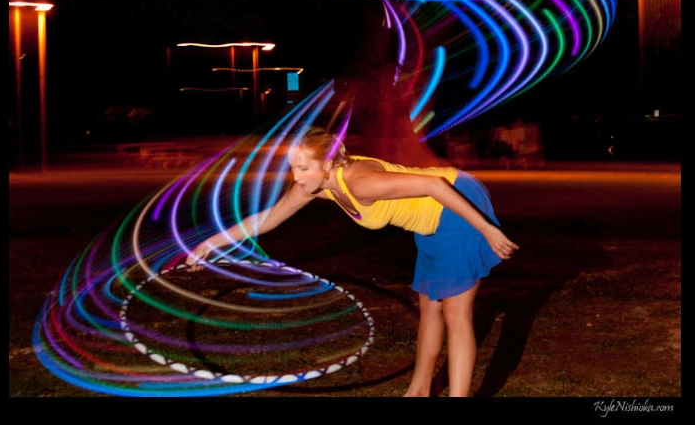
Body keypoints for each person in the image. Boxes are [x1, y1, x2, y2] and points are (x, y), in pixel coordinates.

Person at [186, 127, 519, 397]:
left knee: (454, 312)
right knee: (429, 305)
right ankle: (418, 391)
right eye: (293, 168)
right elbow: (269, 219)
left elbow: (435, 185)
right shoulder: (315, 185)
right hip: (428, 222)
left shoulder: (360, 181)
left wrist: (487, 229)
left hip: (457, 204)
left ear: (328, 164)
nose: (297, 177)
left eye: (303, 168)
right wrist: (211, 243)